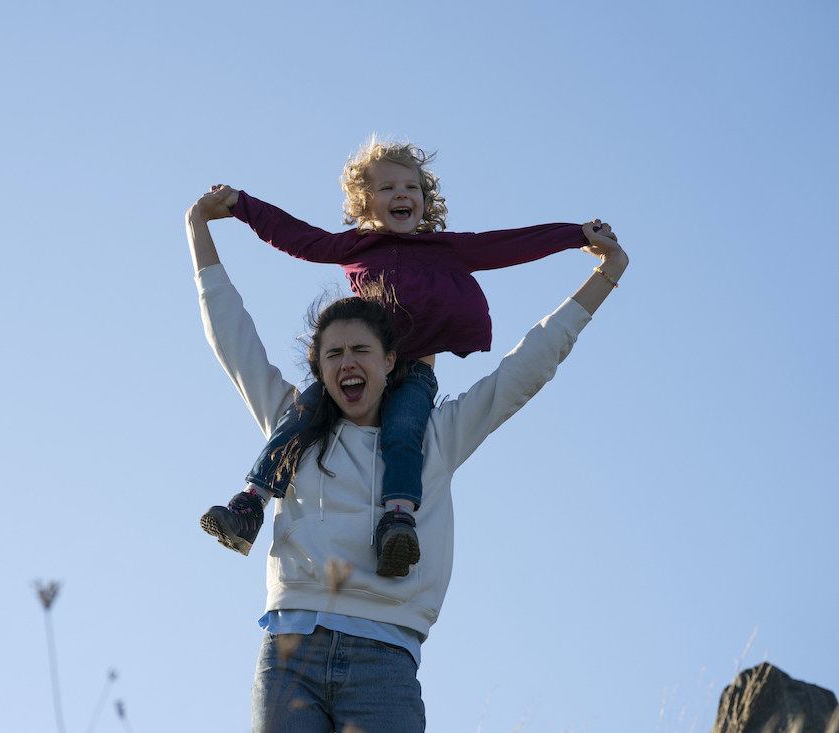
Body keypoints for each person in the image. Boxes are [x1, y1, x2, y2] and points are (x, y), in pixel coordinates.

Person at [187, 185, 628, 732]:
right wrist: (199, 230)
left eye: (360, 351)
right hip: (289, 657)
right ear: (320, 370)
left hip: (383, 661)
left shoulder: (432, 439)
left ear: (391, 361)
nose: (347, 363)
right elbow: (232, 335)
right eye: (333, 354)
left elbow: (529, 365)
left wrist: (606, 274)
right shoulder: (290, 429)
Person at [200, 139, 593, 577]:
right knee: (301, 414)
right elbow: (298, 238)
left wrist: (575, 235)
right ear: (366, 202)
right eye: (388, 188)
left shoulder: (448, 249)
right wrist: (240, 204)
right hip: (359, 373)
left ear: (426, 200)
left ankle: (398, 522)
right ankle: (250, 504)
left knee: (405, 432)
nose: (402, 194)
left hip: (412, 376)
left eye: (412, 187)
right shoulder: (355, 247)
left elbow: (509, 244)